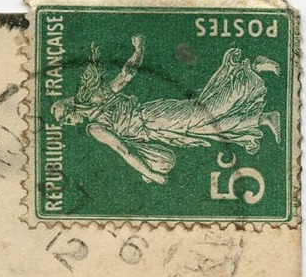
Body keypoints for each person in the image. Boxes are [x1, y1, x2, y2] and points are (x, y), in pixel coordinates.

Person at [53, 38, 282, 184]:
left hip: (153, 117)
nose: (67, 121)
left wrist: (153, 175)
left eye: (63, 114)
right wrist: (139, 49)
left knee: (205, 114)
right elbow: (126, 76)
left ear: (69, 104)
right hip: (157, 129)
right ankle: (263, 118)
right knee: (207, 129)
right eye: (63, 122)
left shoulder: (95, 125)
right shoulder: (95, 107)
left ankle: (251, 68)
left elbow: (124, 150)